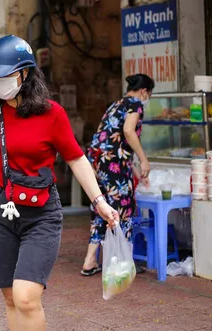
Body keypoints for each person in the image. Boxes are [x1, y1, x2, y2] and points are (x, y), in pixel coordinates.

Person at [0, 35, 119, 331]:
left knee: (26, 297)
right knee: (9, 296)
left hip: (41, 213)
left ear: (24, 73)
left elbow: (76, 159)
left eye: (5, 75)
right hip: (1, 211)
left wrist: (99, 202)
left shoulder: (51, 114)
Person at [81, 73, 155, 276]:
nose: (147, 97)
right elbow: (128, 132)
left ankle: (90, 261)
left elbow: (111, 142)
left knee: (100, 207)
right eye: (149, 93)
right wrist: (143, 159)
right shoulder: (135, 104)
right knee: (124, 208)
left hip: (97, 162)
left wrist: (134, 170)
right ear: (144, 91)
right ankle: (123, 263)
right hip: (113, 164)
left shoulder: (116, 104)